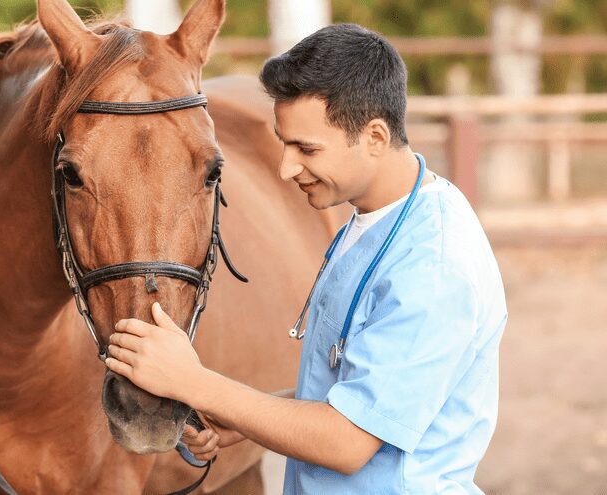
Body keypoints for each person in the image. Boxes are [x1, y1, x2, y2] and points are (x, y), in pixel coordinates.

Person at [105, 23, 507, 494]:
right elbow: (368, 381)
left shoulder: (433, 268)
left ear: (375, 136)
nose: (286, 167)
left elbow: (346, 441)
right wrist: (250, 415)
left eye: (307, 149)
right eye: (284, 143)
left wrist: (195, 383)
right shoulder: (375, 217)